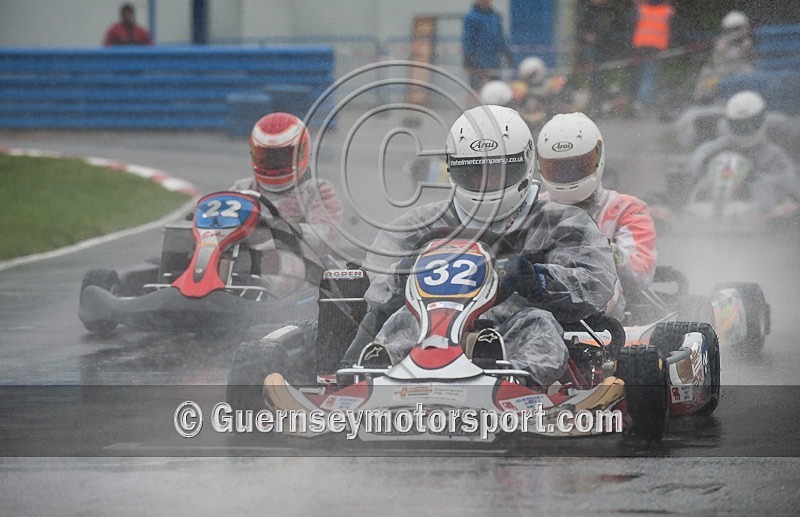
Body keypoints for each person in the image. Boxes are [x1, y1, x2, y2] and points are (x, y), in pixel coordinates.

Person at [343, 105, 617, 387]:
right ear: (454, 170)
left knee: (540, 325)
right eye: (475, 172)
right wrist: (402, 276)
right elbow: (375, 287)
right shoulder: (422, 224)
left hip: (513, 325)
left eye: (496, 172)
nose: (486, 182)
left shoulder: (560, 221)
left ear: (523, 163)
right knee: (401, 322)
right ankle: (376, 376)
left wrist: (536, 279)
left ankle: (506, 379)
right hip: (432, 327)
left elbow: (596, 283)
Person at [537, 113, 657, 319]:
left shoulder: (626, 208)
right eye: (558, 169)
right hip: (538, 303)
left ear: (598, 158)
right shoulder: (534, 208)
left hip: (606, 317)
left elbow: (641, 274)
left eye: (577, 167)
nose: (568, 177)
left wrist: (602, 250)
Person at [229, 112, 343, 296]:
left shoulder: (317, 190)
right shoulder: (242, 188)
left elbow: (325, 236)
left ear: (301, 152)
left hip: (299, 263)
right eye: (268, 156)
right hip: (245, 258)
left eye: (282, 156)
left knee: (286, 263)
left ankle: (262, 296)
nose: (275, 163)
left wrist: (280, 227)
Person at [686, 91, 800, 217]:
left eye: (750, 123)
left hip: (757, 210)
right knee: (701, 184)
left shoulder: (773, 155)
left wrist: (751, 177)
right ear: (729, 122)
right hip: (709, 206)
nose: (746, 129)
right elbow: (694, 165)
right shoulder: (713, 149)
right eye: (740, 125)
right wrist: (707, 163)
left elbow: (789, 185)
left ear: (761, 120)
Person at [693, 11, 756, 102]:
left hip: (741, 68)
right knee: (706, 72)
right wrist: (723, 44)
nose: (734, 32)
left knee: (749, 73)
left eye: (736, 28)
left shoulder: (747, 41)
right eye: (731, 29)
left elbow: (740, 55)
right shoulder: (722, 41)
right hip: (723, 69)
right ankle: (701, 98)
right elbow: (722, 55)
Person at [628, 0, 676, 110]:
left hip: (640, 45)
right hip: (656, 46)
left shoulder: (641, 8)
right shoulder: (667, 10)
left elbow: (631, 25)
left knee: (639, 74)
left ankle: (636, 100)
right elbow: (675, 28)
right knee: (649, 75)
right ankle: (642, 102)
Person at [462, 0, 509, 93]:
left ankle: (495, 106)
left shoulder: (495, 16)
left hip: (494, 60)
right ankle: (475, 106)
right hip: (477, 59)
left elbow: (500, 37)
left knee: (496, 88)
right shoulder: (471, 17)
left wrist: (506, 53)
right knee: (476, 89)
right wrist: (467, 56)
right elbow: (468, 38)